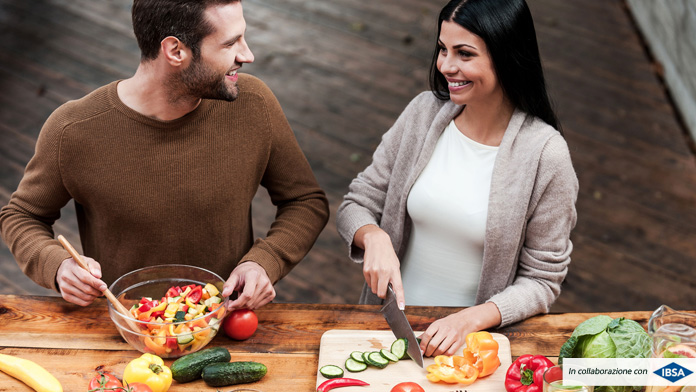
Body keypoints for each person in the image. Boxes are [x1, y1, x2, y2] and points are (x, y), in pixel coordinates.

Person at [0, 0, 329, 311]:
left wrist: (264, 262)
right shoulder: (72, 130)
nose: (248, 55)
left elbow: (305, 201)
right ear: (175, 51)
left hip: (227, 323)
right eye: (231, 44)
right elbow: (21, 216)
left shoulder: (254, 103)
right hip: (127, 330)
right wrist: (56, 266)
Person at [337, 0, 578, 357]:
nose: (446, 66)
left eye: (464, 54)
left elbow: (542, 280)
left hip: (469, 346)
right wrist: (372, 236)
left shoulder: (546, 155)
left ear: (506, 56)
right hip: (387, 330)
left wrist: (469, 320)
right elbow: (356, 202)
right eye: (442, 49)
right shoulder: (422, 113)